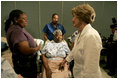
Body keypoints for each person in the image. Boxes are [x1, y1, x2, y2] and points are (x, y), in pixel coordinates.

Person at [60, 4, 102, 78]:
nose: (72, 20)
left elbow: (91, 69)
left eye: (74, 17)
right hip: (78, 74)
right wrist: (66, 60)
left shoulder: (91, 36)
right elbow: (75, 49)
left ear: (81, 17)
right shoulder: (80, 33)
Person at [5, 9, 41, 78]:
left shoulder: (18, 27)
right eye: (24, 19)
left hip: (24, 63)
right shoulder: (16, 32)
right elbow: (26, 50)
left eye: (26, 18)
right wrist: (36, 48)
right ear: (16, 19)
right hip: (25, 64)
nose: (26, 21)